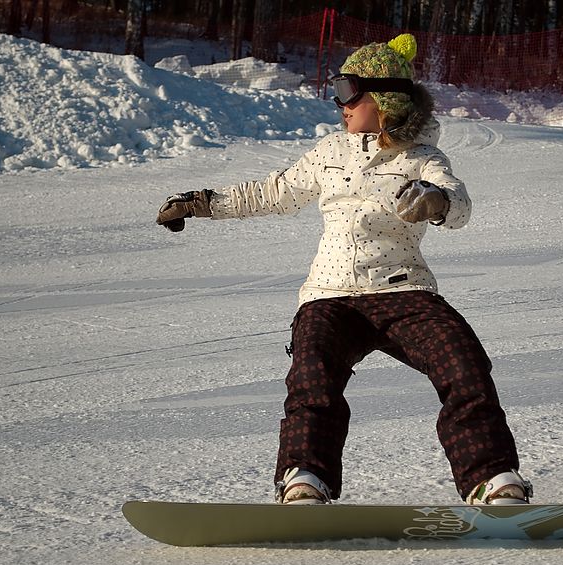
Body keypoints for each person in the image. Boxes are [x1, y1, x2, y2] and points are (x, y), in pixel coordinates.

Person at [156, 34, 532, 506]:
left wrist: (436, 201)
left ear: (384, 98)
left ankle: (493, 479)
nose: (340, 103)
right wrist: (203, 203)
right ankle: (304, 480)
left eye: (348, 90)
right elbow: (272, 192)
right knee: (312, 380)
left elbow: (460, 207)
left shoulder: (422, 159)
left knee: (465, 364)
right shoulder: (331, 151)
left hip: (404, 292)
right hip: (329, 295)